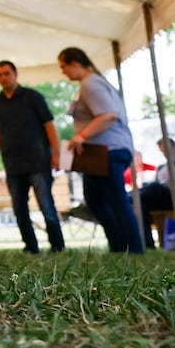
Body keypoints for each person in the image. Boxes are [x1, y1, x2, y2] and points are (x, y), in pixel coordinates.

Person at [58, 46, 143, 253]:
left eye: (64, 66)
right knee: (95, 200)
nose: (63, 72)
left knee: (116, 200)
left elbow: (108, 116)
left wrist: (81, 136)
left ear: (75, 64)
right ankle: (118, 245)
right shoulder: (95, 82)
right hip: (103, 151)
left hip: (108, 150)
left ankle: (134, 249)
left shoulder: (91, 83)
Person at [0, 59, 64, 253]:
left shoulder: (33, 97)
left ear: (15, 74)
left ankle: (57, 246)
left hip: (38, 161)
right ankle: (30, 247)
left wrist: (56, 154)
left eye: (6, 73)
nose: (3, 77)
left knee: (47, 206)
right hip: (12, 164)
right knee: (19, 209)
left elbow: (49, 126)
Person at [140, 138, 175, 248]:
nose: (165, 154)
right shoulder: (161, 168)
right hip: (159, 196)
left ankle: (131, 196)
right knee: (141, 202)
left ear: (174, 148)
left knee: (153, 187)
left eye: (166, 150)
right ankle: (148, 244)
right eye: (162, 151)